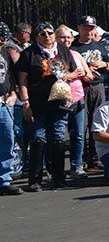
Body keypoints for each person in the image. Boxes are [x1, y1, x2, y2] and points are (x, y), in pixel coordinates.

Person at [16, 22, 89, 191]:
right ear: (36, 37)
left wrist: (64, 76)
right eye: (42, 34)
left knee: (57, 139)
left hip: (60, 102)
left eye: (50, 32)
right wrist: (26, 103)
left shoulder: (63, 50)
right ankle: (35, 180)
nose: (47, 36)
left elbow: (76, 72)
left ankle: (58, 177)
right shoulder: (29, 54)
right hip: (37, 104)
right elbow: (22, 81)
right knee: (38, 139)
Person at [73, 16, 109, 169]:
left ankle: (95, 157)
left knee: (97, 123)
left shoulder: (100, 46)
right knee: (80, 126)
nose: (88, 31)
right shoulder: (73, 46)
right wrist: (86, 68)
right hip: (80, 88)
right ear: (79, 28)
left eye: (91, 28)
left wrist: (104, 63)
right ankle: (80, 159)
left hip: (98, 86)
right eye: (85, 27)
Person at [55, 25, 93, 177]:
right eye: (63, 37)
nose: (66, 40)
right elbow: (56, 76)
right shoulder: (53, 55)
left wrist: (83, 73)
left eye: (69, 37)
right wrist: (72, 74)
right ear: (56, 39)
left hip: (78, 98)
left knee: (78, 134)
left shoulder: (76, 54)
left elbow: (89, 76)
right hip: (60, 100)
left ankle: (76, 166)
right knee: (58, 137)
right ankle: (55, 169)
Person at [0, 24, 20, 196]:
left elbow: (10, 75)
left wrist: (13, 93)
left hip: (5, 102)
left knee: (7, 140)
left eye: (3, 39)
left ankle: (4, 180)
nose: (2, 42)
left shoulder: (5, 51)